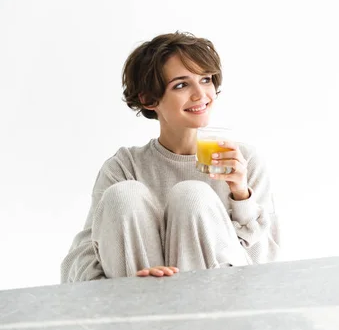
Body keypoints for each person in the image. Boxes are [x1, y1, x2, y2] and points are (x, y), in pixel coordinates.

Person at [60, 32, 280, 282]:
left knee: (191, 195)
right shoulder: (124, 166)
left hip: (219, 300)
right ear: (148, 99)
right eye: (181, 85)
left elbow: (263, 265)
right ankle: (146, 304)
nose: (201, 94)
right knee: (124, 195)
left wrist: (241, 196)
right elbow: (78, 261)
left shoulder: (242, 159)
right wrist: (129, 282)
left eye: (206, 79)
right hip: (136, 305)